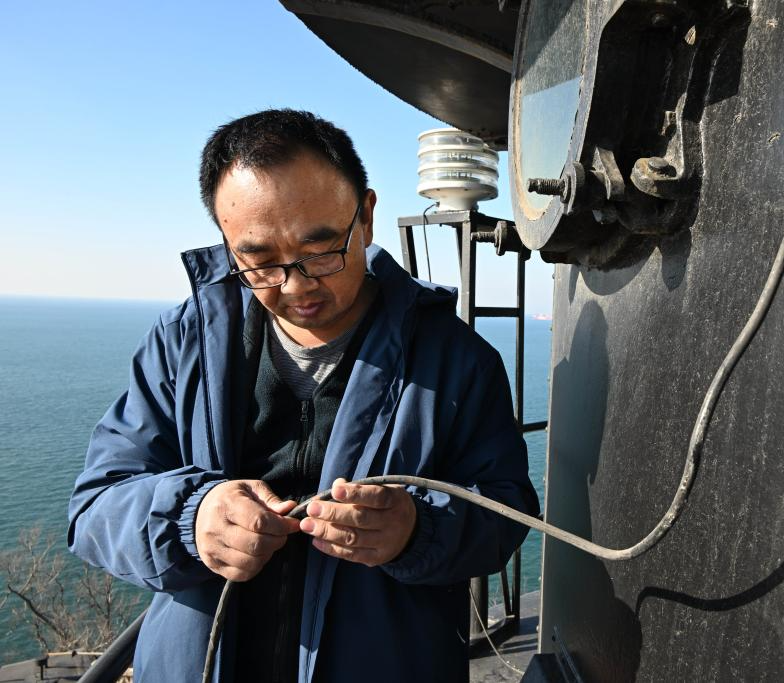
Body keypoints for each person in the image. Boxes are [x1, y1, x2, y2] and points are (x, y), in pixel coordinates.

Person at [67, 109, 539, 682]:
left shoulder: (457, 361)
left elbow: (506, 513)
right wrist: (192, 519)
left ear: (366, 216)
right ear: (228, 245)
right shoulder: (182, 343)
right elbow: (96, 507)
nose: (296, 285)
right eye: (259, 261)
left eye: (321, 251)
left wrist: (416, 528)